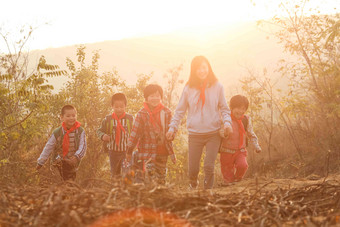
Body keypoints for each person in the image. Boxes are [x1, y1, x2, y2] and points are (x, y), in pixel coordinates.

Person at [166, 56, 232, 189]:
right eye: (198, 68)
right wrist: (172, 128)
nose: (201, 71)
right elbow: (180, 111)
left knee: (208, 166)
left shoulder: (217, 86)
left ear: (209, 68)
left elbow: (224, 108)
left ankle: (208, 194)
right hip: (195, 134)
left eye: (204, 67)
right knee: (193, 170)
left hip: (213, 133)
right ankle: (193, 187)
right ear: (193, 71)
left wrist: (227, 123)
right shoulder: (188, 88)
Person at [127, 84, 176, 185]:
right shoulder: (142, 114)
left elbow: (172, 128)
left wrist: (171, 134)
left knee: (161, 179)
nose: (155, 98)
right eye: (152, 96)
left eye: (157, 95)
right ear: (146, 98)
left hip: (163, 151)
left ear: (161, 97)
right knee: (150, 177)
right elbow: (134, 133)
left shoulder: (166, 112)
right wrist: (129, 150)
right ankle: (151, 197)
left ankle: (160, 198)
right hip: (147, 152)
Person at [36, 105, 87, 181]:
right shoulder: (57, 133)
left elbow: (83, 146)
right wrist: (40, 162)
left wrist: (76, 157)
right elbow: (48, 147)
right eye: (68, 116)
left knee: (70, 181)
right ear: (61, 117)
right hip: (59, 161)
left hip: (72, 162)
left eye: (73, 115)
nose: (71, 118)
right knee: (59, 181)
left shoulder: (80, 131)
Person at [219, 95, 261, 185]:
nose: (241, 111)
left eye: (243, 109)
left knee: (243, 165)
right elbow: (220, 132)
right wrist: (225, 133)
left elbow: (250, 133)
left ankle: (237, 180)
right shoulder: (226, 119)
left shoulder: (246, 119)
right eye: (238, 108)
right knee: (227, 175)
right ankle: (229, 187)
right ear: (231, 107)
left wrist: (256, 146)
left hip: (240, 151)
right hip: (226, 151)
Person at [97, 93, 133, 180]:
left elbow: (135, 132)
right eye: (116, 107)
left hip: (126, 152)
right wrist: (103, 136)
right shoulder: (108, 119)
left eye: (121, 106)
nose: (119, 109)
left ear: (125, 106)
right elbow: (99, 131)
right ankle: (115, 190)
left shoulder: (129, 119)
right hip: (113, 152)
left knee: (127, 173)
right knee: (114, 174)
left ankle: (127, 191)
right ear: (112, 106)